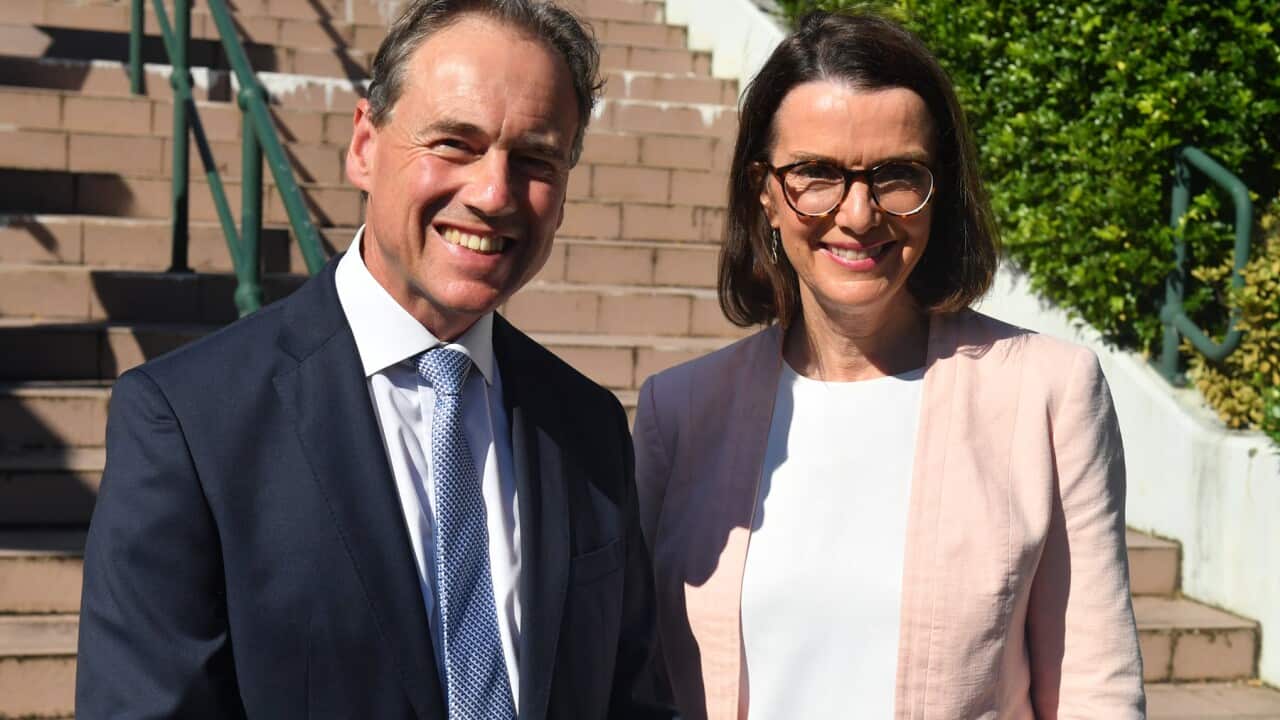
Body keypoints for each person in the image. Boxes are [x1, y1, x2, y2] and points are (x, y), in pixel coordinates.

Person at [76, 1, 670, 717]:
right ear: (364, 144)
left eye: (536, 159)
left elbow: (632, 695)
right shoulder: (191, 423)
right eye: (455, 143)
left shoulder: (586, 425)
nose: (492, 193)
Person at [633, 11, 1146, 719]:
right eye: (815, 173)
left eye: (897, 175)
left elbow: (1096, 686)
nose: (859, 213)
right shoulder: (680, 412)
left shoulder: (1047, 392)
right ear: (763, 188)